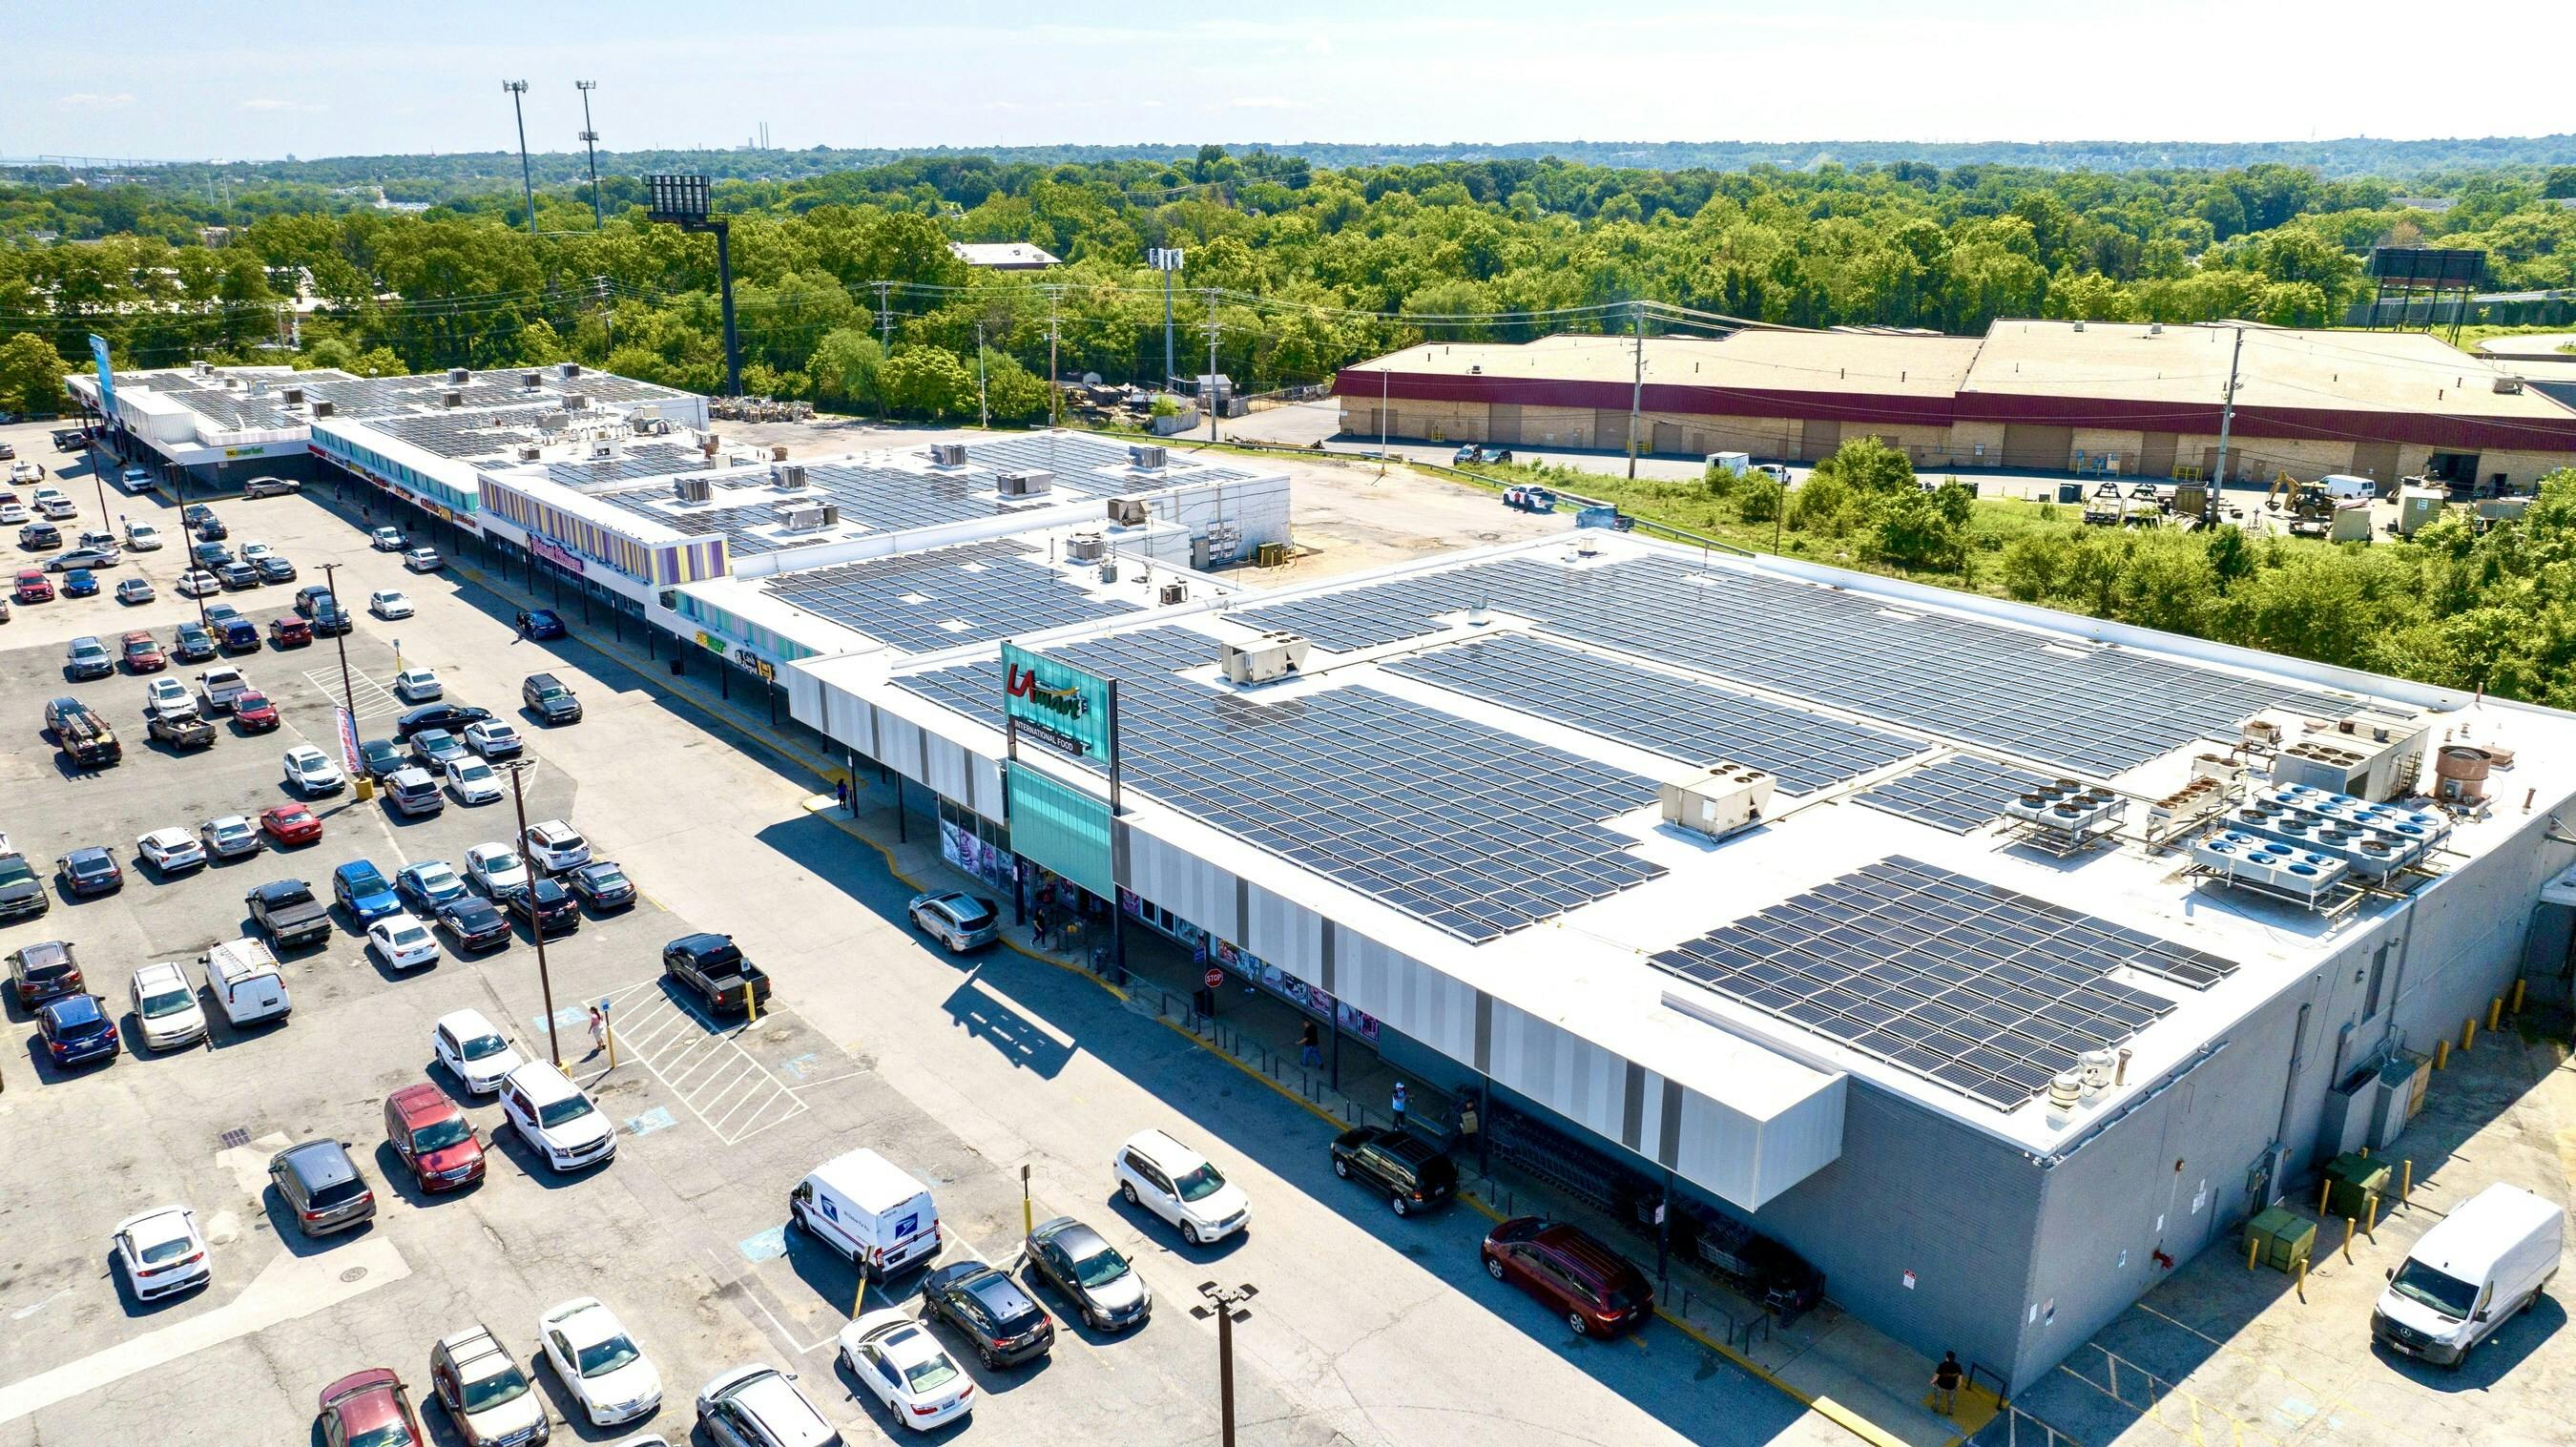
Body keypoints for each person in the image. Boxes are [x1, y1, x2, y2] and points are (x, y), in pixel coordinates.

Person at [1931, 1351, 1963, 1415]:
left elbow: (1937, 1376)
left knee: (1937, 1398)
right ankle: (1950, 1412)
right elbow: (1960, 1375)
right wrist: (1959, 1384)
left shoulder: (1942, 1365)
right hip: (1951, 1387)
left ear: (1946, 1357)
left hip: (1940, 1385)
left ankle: (1935, 1408)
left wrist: (1932, 1381)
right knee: (1951, 1400)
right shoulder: (1957, 1366)